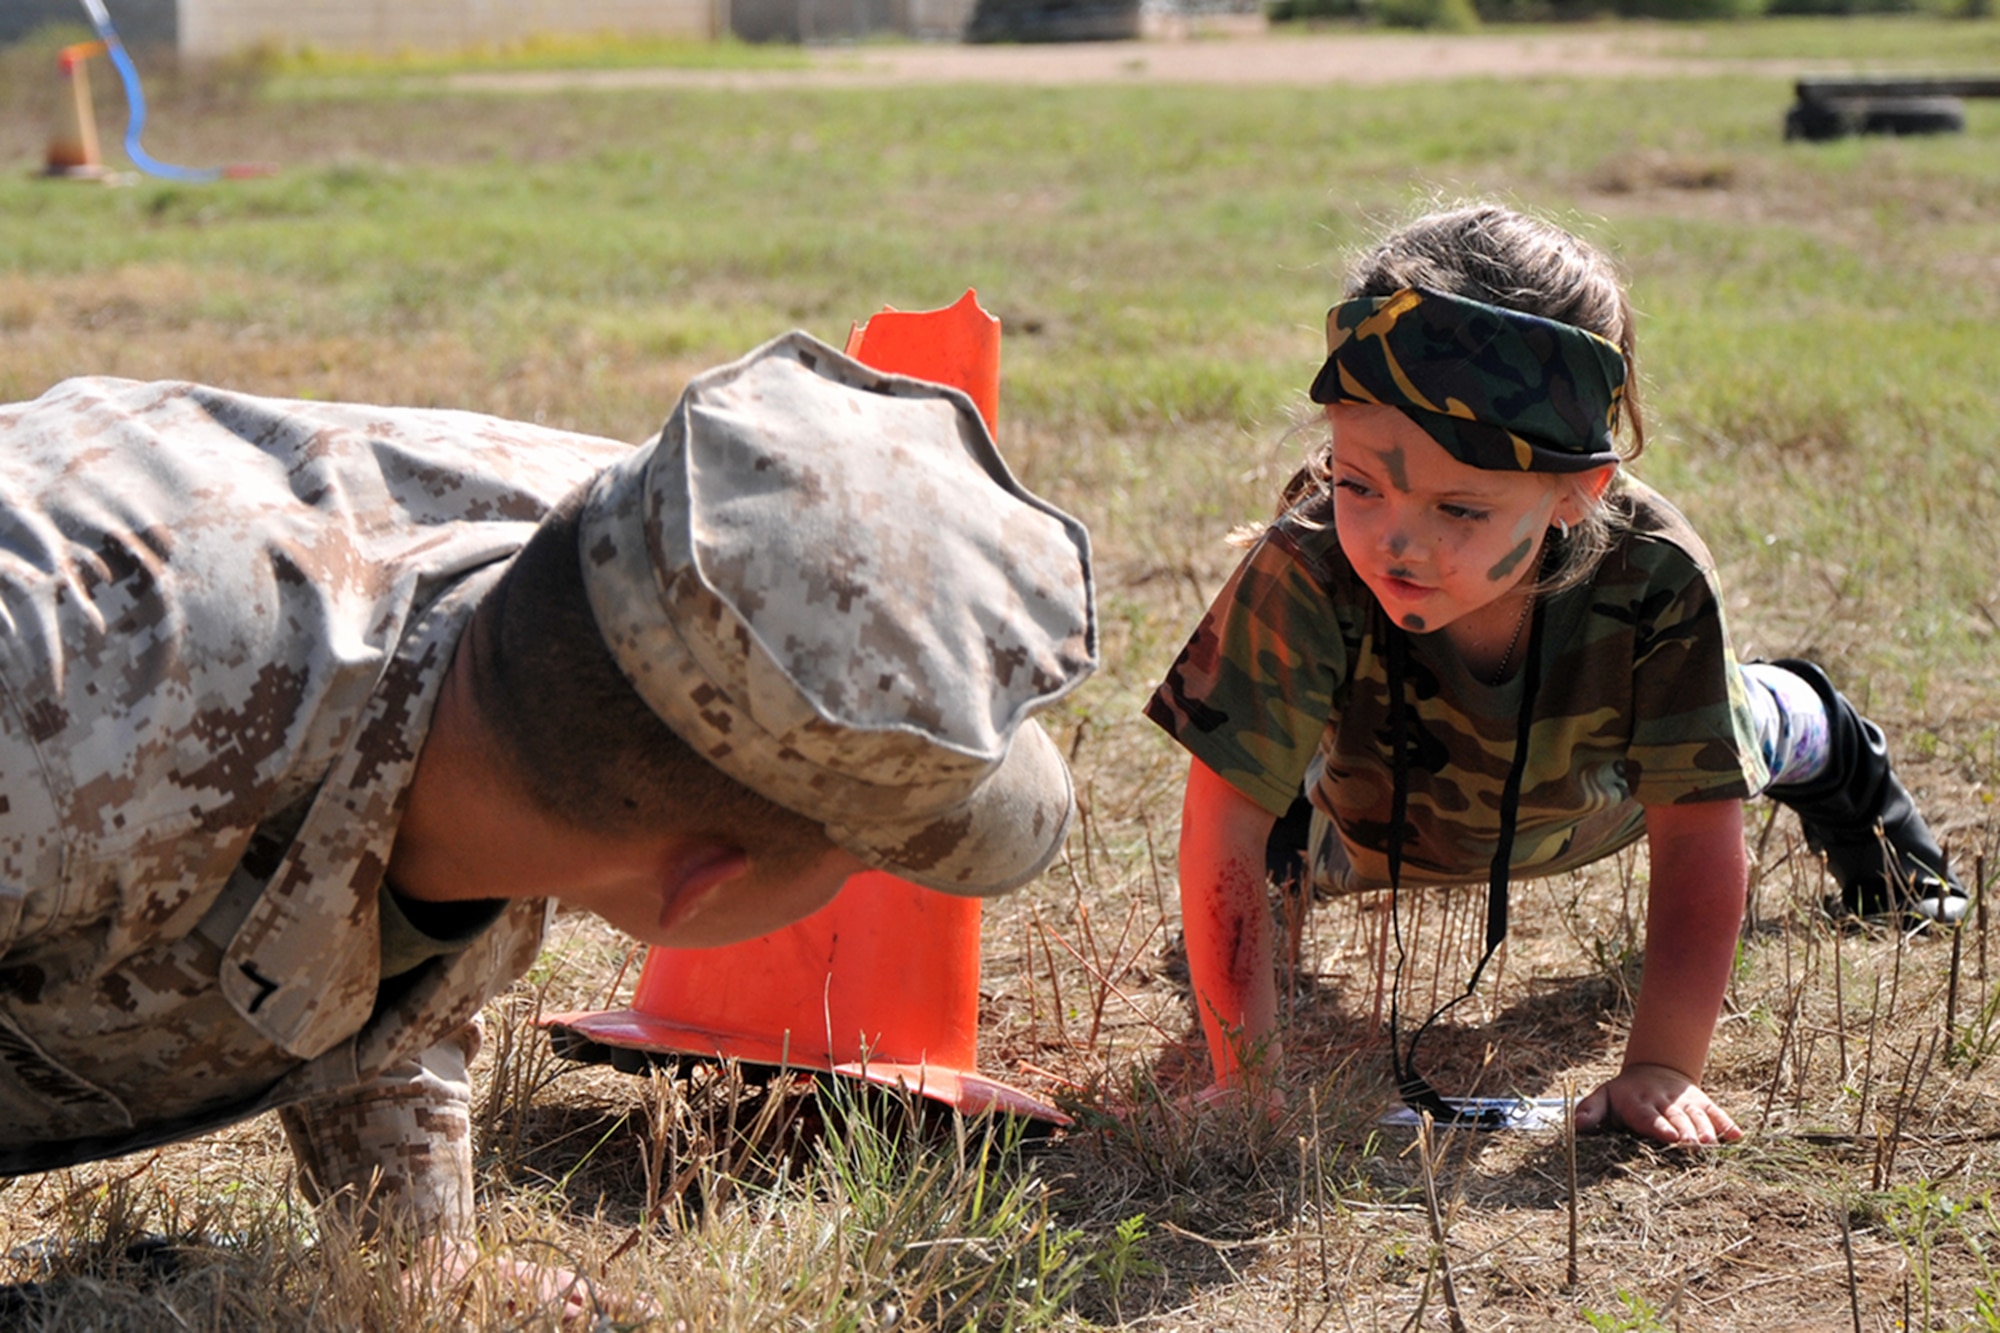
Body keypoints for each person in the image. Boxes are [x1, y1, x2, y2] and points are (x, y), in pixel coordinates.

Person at [0, 333, 1096, 1290]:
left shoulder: (619, 582)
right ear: (698, 879)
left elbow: (378, 888)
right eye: (856, 860)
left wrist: (413, 1261)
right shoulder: (69, 711)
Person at [1146, 203, 1964, 1147]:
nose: (1396, 538)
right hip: (1374, 823)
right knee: (1269, 841)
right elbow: (1220, 825)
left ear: (1580, 489)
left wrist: (1661, 1064)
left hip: (1606, 795)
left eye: (1458, 505)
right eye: (1360, 481)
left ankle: (1822, 724)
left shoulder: (1655, 574)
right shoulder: (1309, 561)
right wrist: (1245, 1076)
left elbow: (1699, 834)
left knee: (1754, 722)